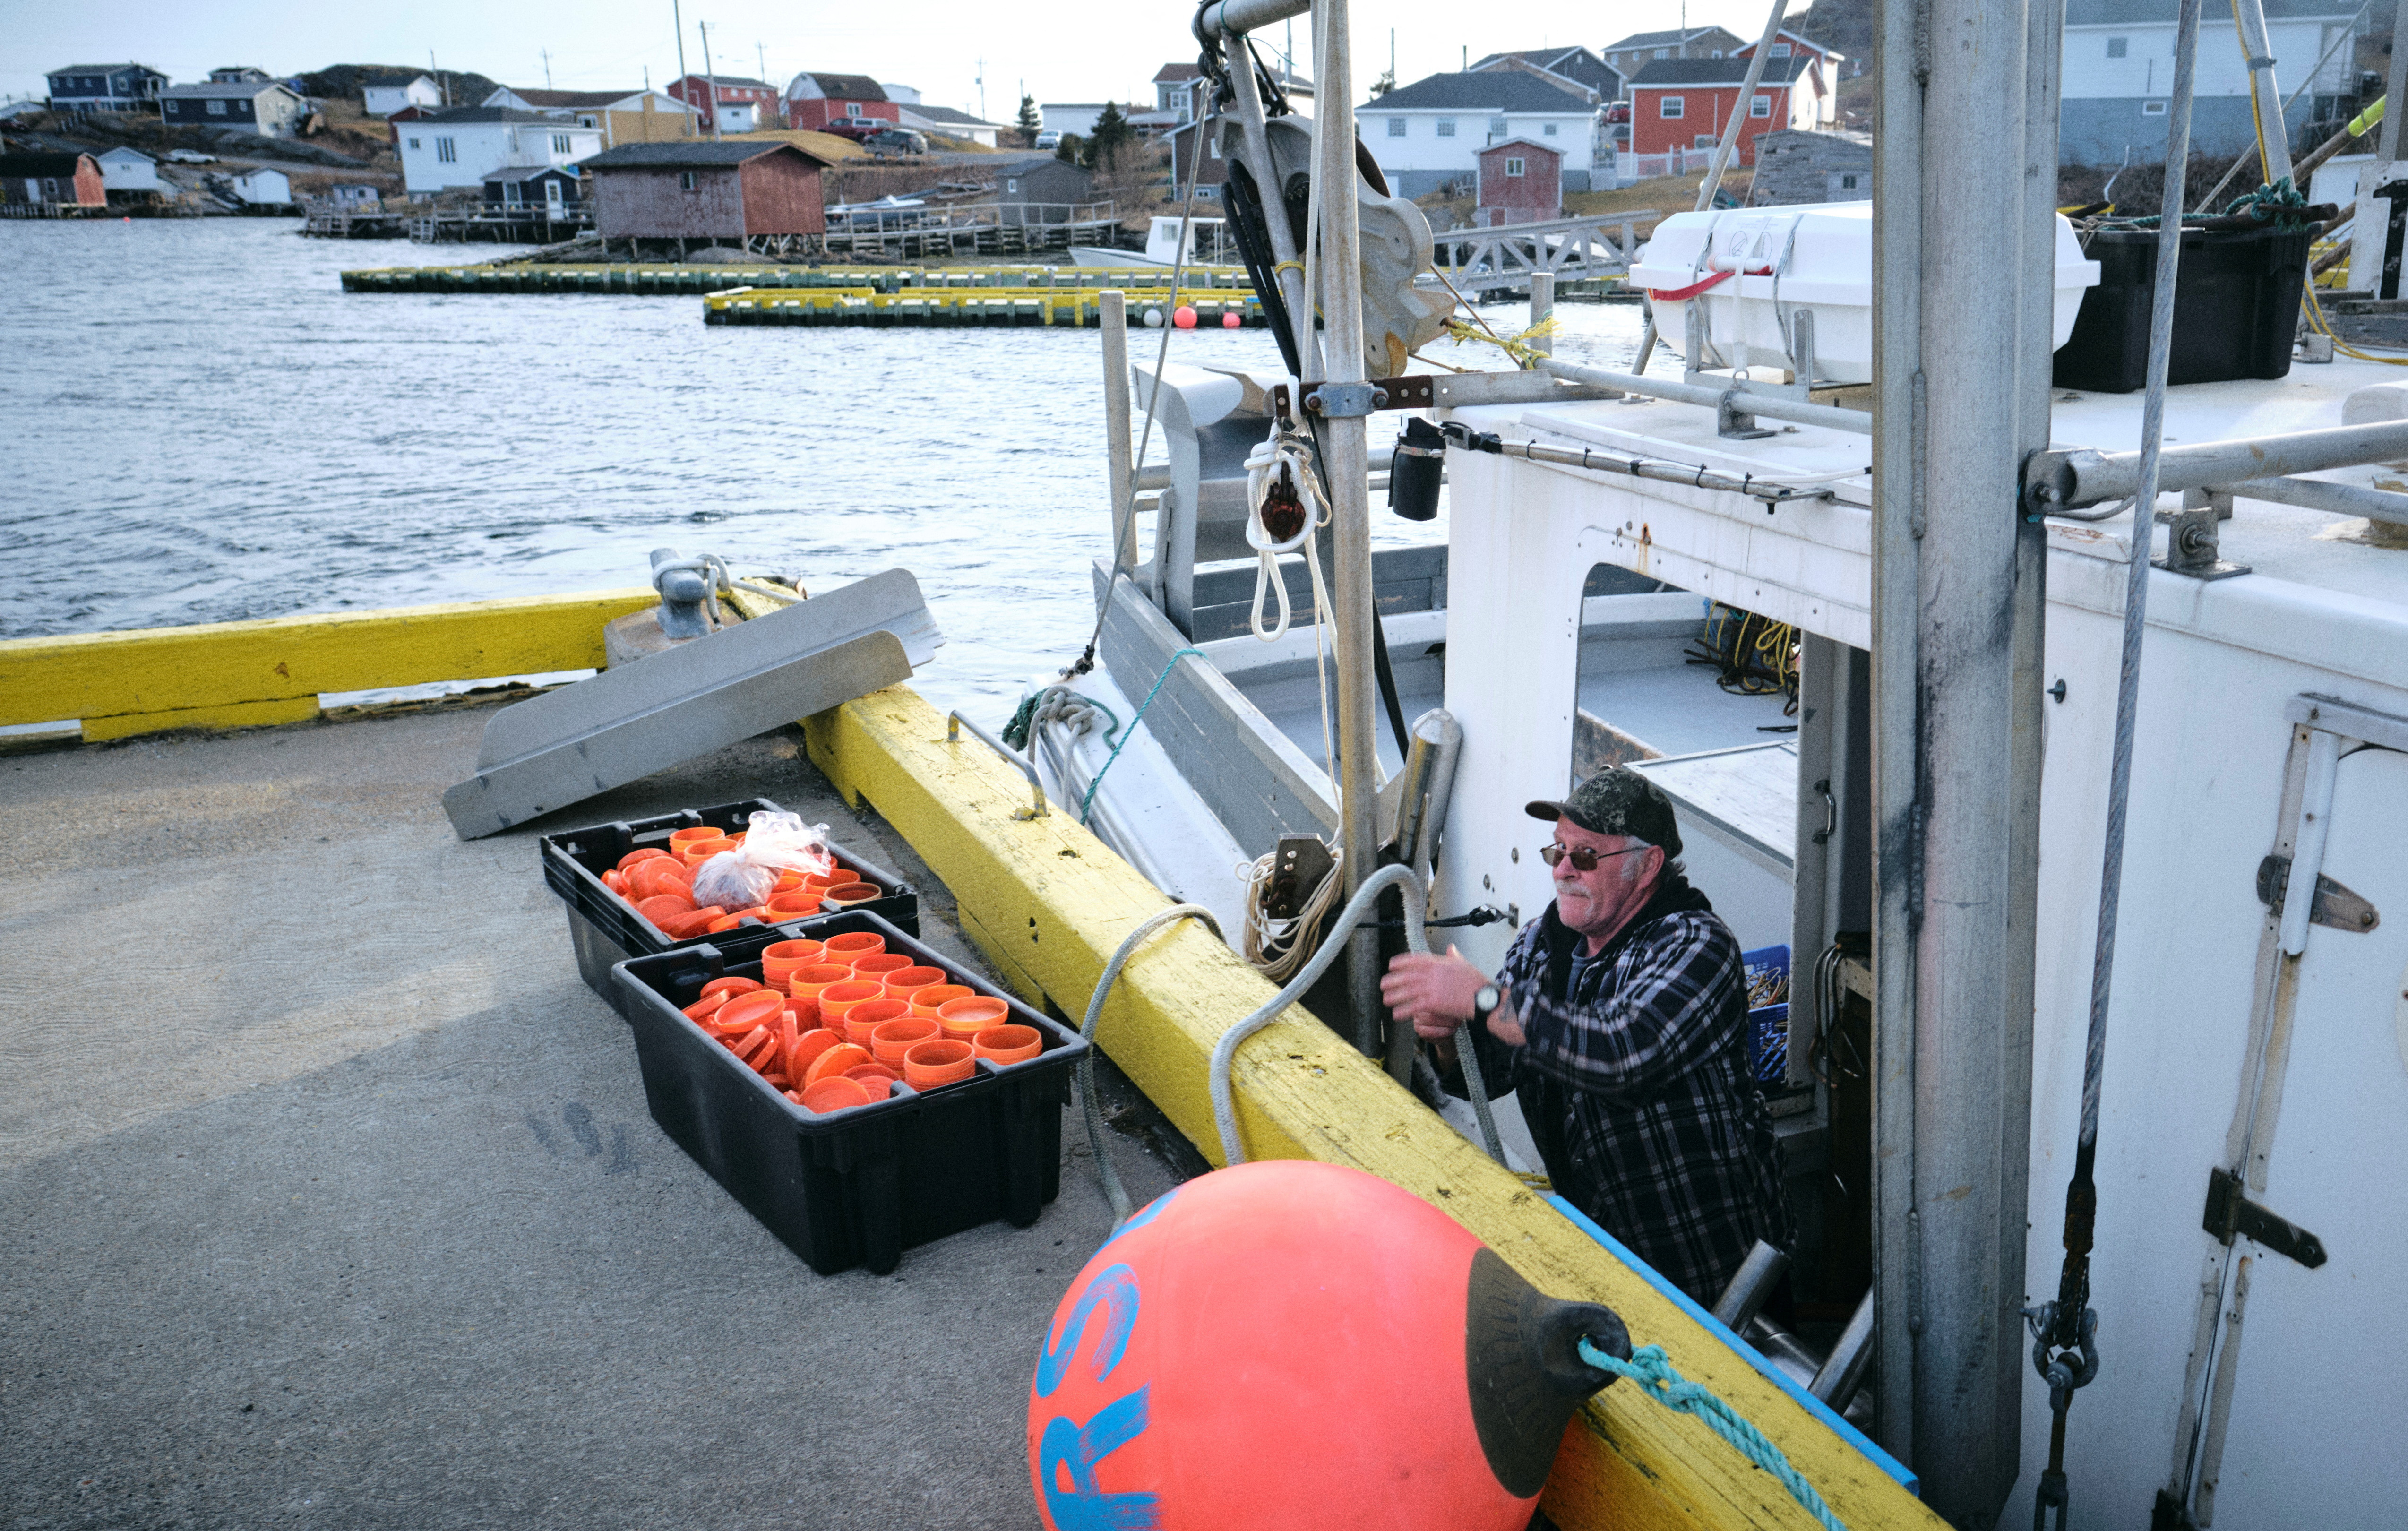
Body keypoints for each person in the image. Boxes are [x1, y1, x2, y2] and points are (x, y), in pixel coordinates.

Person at [1379, 766, 1793, 1305]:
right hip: (1608, 1252)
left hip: (1710, 1264)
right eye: (1557, 852)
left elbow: (1623, 1055)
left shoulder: (1696, 945)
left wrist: (1481, 999)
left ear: (1647, 867)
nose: (1563, 872)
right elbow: (1488, 1074)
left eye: (1586, 856)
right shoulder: (1541, 941)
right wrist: (1444, 1034)